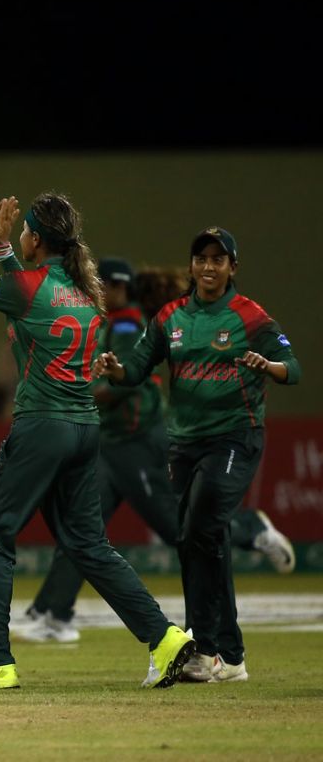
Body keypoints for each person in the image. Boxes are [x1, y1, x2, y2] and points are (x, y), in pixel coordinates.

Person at [0, 194, 194, 690]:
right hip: (84, 429)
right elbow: (29, 294)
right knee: (87, 544)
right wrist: (4, 248)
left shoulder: (27, 286)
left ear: (35, 239)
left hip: (41, 426)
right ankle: (165, 638)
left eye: (24, 232)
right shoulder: (84, 292)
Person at [19, 258, 295, 643]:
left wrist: (78, 394)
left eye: (102, 284)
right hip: (113, 445)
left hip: (137, 444)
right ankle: (54, 613)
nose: (95, 290)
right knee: (82, 526)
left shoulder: (128, 326)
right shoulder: (114, 323)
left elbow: (123, 384)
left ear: (117, 287)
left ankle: (250, 529)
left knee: (178, 528)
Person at [97, 227, 301, 683]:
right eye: (201, 259)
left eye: (218, 259)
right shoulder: (170, 317)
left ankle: (206, 647)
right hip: (184, 443)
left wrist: (269, 366)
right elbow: (137, 368)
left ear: (232, 267)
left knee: (200, 528)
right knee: (197, 539)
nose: (209, 266)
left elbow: (294, 368)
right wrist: (116, 370)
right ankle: (227, 655)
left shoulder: (249, 316)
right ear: (192, 266)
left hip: (235, 438)